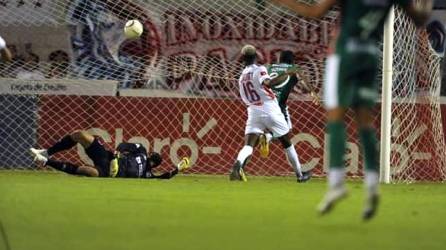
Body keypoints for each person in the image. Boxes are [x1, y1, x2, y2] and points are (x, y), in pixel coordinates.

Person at [270, 0, 432, 220]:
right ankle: (373, 186)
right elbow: (420, 19)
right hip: (369, 57)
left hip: (344, 54)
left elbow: (315, 12)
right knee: (365, 121)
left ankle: (337, 183)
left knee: (336, 115)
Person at [229, 44, 312, 182]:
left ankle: (237, 164)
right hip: (270, 109)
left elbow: (244, 96)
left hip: (253, 111)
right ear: (256, 56)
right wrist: (287, 73)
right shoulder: (260, 69)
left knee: (248, 145)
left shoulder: (242, 76)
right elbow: (268, 83)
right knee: (287, 142)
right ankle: (300, 175)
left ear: (242, 58)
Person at [30, 130, 190, 179]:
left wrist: (177, 169)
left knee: (88, 171)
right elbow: (123, 145)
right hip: (107, 158)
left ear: (153, 163)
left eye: (153, 156)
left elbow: (164, 177)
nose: (150, 155)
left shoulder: (147, 175)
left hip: (109, 173)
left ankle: (45, 161)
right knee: (81, 135)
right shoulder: (141, 150)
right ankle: (46, 151)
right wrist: (116, 154)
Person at [259, 50, 319, 158]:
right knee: (285, 132)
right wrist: (312, 92)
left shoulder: (269, 67)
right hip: (278, 104)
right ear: (292, 61)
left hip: (263, 103)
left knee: (281, 132)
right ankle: (268, 136)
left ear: (279, 59)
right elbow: (303, 80)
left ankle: (267, 137)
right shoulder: (293, 69)